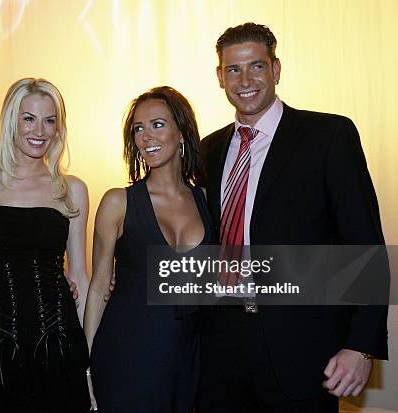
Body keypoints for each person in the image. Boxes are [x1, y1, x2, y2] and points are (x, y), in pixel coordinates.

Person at [196, 22, 388, 412]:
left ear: (276, 69)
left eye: (256, 66)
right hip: (221, 347)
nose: (245, 79)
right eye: (233, 69)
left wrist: (361, 346)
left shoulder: (328, 135)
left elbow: (364, 244)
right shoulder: (208, 150)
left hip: (302, 349)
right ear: (219, 77)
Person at [0, 78, 91, 412]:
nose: (40, 130)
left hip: (58, 343)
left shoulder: (71, 189)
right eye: (29, 118)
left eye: (50, 120)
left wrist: (87, 362)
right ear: (11, 120)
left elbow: (81, 277)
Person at [84, 86, 211, 412]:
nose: (145, 136)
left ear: (181, 130)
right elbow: (99, 287)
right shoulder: (118, 202)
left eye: (157, 124)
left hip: (188, 359)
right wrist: (85, 367)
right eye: (138, 128)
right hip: (126, 354)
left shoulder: (207, 201)